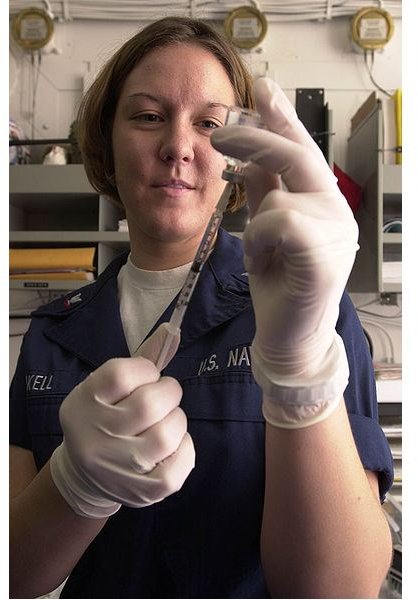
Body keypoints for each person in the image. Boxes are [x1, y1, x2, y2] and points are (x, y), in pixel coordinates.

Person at [9, 16, 394, 599]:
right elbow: (14, 572)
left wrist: (299, 371)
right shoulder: (52, 332)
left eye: (210, 124)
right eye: (146, 116)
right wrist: (73, 486)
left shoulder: (310, 309)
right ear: (105, 143)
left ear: (239, 155)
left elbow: (340, 590)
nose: (179, 147)